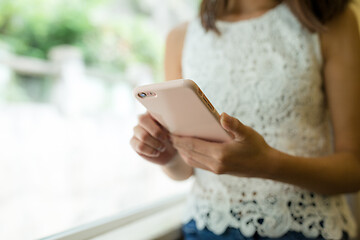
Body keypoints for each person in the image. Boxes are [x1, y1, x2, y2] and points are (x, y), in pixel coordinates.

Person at [130, 0, 360, 239]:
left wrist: (268, 164)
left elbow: (354, 168)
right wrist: (167, 156)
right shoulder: (181, 38)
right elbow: (185, 170)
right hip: (207, 227)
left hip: (305, 229)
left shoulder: (330, 22)